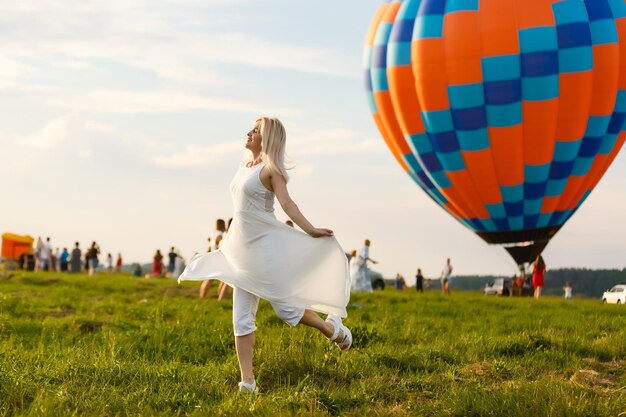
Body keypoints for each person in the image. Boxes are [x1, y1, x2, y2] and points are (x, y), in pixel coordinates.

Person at [178, 117, 351, 393]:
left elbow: (287, 204)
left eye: (255, 130)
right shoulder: (242, 166)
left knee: (287, 310)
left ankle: (333, 330)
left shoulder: (272, 170)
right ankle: (248, 382)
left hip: (265, 249)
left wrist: (310, 230)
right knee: (241, 318)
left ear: (267, 138)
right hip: (241, 251)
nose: (249, 132)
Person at [200, 219, 226, 298]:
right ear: (222, 225)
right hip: (217, 258)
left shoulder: (213, 233)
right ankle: (219, 297)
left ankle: (202, 296)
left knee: (209, 279)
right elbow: (221, 244)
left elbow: (208, 239)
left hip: (212, 256)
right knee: (221, 279)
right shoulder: (220, 234)